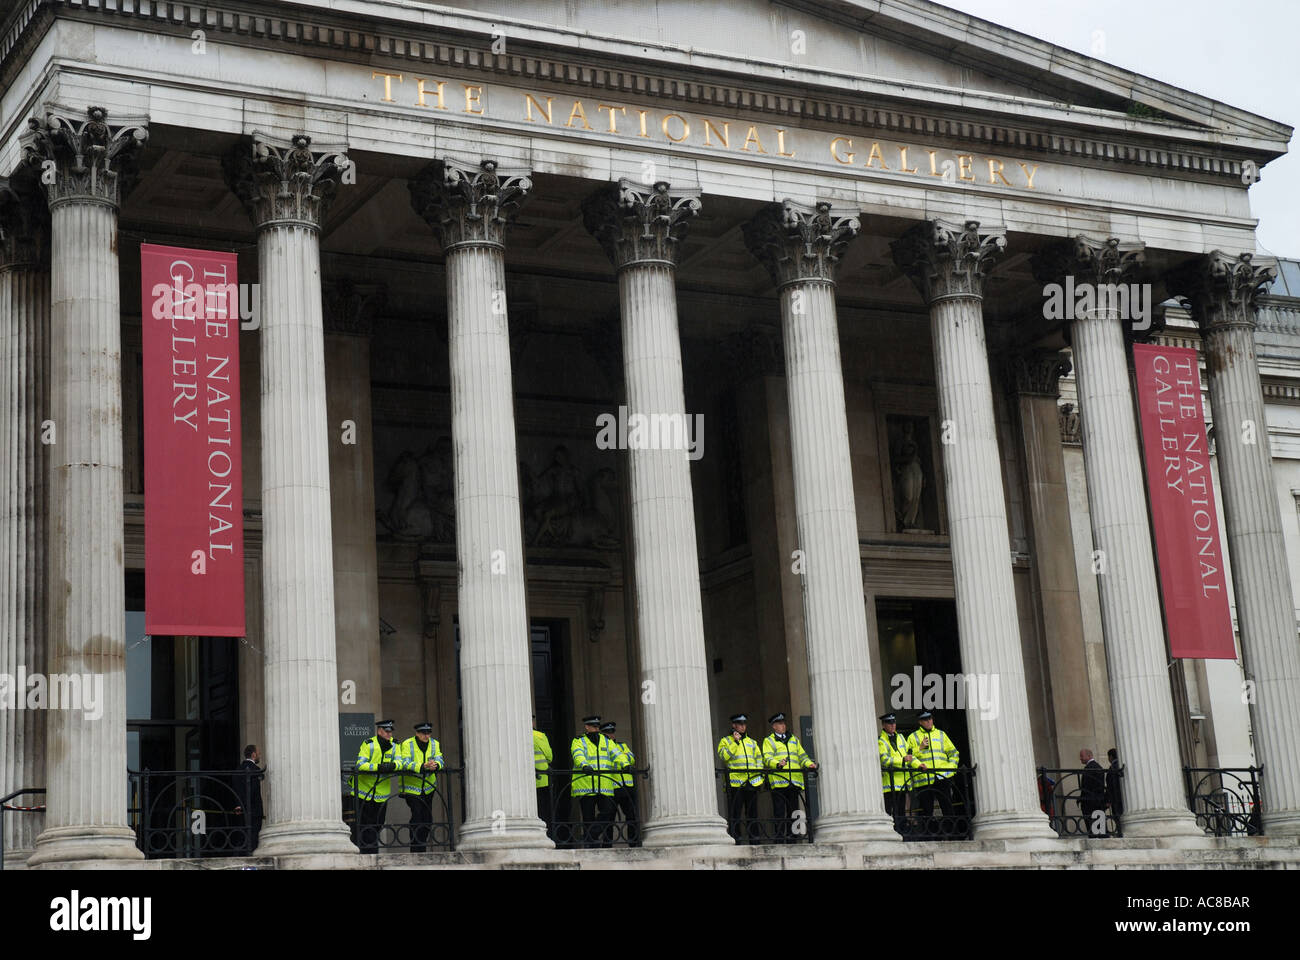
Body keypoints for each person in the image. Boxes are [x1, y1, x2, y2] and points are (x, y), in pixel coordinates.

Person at [348, 719, 407, 854]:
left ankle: (371, 852)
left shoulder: (395, 745)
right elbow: (360, 765)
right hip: (364, 792)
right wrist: (378, 767)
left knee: (377, 825)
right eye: (387, 731)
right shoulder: (369, 744)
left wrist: (392, 766)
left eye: (390, 731)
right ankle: (367, 853)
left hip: (381, 794)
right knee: (363, 826)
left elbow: (400, 762)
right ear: (379, 731)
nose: (389, 734)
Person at [762, 712, 817, 843]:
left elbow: (802, 756)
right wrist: (777, 764)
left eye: (783, 723)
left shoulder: (793, 739)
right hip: (779, 781)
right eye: (780, 724)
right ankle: (780, 838)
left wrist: (810, 764)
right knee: (779, 811)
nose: (783, 725)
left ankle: (793, 838)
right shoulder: (769, 741)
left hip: (793, 781)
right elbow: (766, 757)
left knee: (793, 811)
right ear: (774, 726)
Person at [570, 715, 617, 848]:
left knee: (608, 811)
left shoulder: (606, 740)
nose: (596, 729)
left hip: (604, 785)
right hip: (586, 785)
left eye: (597, 726)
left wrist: (626, 764)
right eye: (593, 726)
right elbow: (577, 754)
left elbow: (616, 754)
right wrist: (584, 765)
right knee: (588, 817)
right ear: (587, 727)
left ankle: (589, 836)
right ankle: (590, 845)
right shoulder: (579, 740)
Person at [717, 713, 764, 843]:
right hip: (735, 782)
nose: (743, 727)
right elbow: (724, 757)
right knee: (735, 814)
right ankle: (736, 840)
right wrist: (735, 743)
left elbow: (759, 759)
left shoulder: (752, 742)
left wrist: (759, 776)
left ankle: (755, 839)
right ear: (734, 726)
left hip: (752, 782)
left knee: (752, 814)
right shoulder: (726, 741)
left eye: (744, 724)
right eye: (740, 724)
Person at [398, 722, 443, 853]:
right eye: (423, 733)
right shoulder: (407, 744)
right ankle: (415, 848)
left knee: (427, 818)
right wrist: (422, 766)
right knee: (417, 816)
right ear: (417, 733)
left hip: (428, 787)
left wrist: (436, 765)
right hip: (412, 787)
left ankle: (421, 846)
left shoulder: (435, 744)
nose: (426, 736)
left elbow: (440, 759)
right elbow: (405, 763)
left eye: (428, 733)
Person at [906, 711, 959, 820]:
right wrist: (919, 749)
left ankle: (949, 833)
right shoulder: (913, 737)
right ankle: (930, 836)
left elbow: (954, 753)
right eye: (925, 719)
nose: (929, 721)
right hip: (924, 778)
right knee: (926, 810)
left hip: (941, 776)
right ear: (920, 722)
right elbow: (909, 757)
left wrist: (950, 769)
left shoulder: (941, 734)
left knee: (947, 807)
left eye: (930, 718)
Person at [877, 714, 920, 831]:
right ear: (884, 725)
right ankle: (893, 831)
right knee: (890, 810)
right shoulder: (881, 741)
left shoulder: (901, 737)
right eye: (889, 723)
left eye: (894, 723)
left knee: (901, 811)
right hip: (890, 784)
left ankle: (902, 831)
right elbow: (884, 760)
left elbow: (909, 756)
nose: (892, 725)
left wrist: (919, 764)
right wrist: (901, 760)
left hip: (902, 782)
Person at [601, 721, 641, 847]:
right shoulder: (603, 748)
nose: (611, 735)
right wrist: (620, 759)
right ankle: (607, 844)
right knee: (609, 818)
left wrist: (620, 759)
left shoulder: (622, 745)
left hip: (627, 787)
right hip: (613, 787)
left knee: (631, 816)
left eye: (612, 732)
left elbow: (631, 758)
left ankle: (633, 842)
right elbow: (610, 761)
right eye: (608, 733)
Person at [233, 744, 264, 852]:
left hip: (240, 809)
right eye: (258, 753)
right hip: (254, 810)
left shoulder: (238, 769)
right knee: (253, 838)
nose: (260, 755)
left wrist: (239, 805)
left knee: (242, 835)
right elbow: (253, 791)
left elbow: (236, 789)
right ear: (253, 754)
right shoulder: (255, 769)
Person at [533, 714, 553, 839]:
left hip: (523, 782)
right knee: (544, 811)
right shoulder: (538, 735)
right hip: (541, 779)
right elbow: (549, 755)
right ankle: (547, 836)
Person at [1080, 748, 1107, 837]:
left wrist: (1083, 799)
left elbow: (1087, 786)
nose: (1080, 758)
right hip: (1097, 801)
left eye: (1082, 756)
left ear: (1089, 756)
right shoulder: (1097, 766)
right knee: (1100, 827)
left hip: (1090, 802)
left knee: (1093, 827)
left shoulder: (1090, 768)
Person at [1105, 748, 1124, 822]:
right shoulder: (1120, 765)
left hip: (1116, 799)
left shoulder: (1113, 767)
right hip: (1122, 799)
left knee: (1118, 819)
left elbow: (1111, 785)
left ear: (1111, 757)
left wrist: (1108, 800)